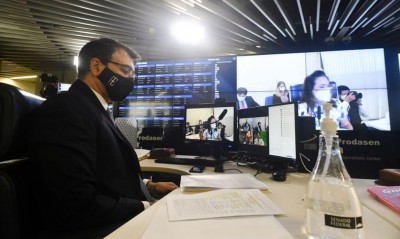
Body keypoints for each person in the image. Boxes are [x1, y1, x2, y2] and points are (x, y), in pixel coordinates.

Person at [28, 38, 178, 238]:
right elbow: (76, 203)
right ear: (96, 66)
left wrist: (149, 187)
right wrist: (145, 205)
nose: (130, 80)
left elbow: (106, 173)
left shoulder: (94, 108)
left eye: (133, 74)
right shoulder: (67, 109)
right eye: (125, 70)